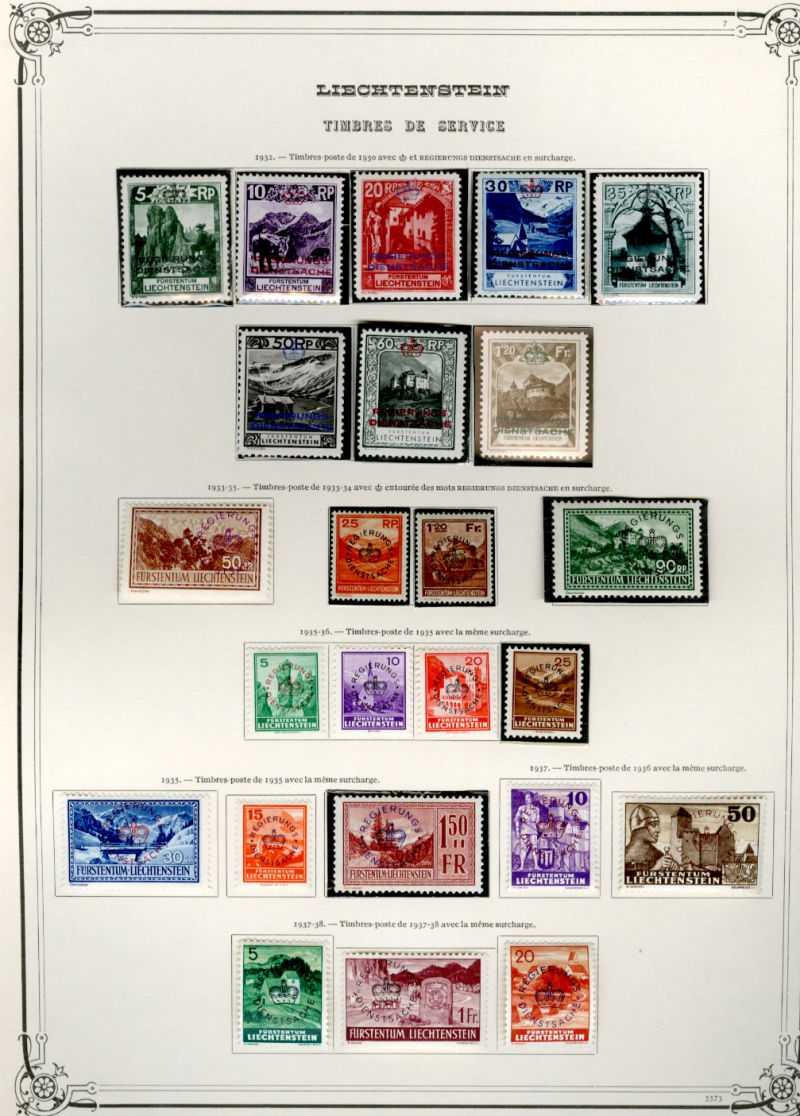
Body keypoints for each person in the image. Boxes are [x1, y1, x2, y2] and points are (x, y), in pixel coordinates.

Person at [624, 803, 663, 871]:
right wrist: (655, 869)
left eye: (658, 825)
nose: (658, 830)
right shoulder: (621, 856)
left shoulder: (659, 856)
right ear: (639, 827)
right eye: (653, 825)